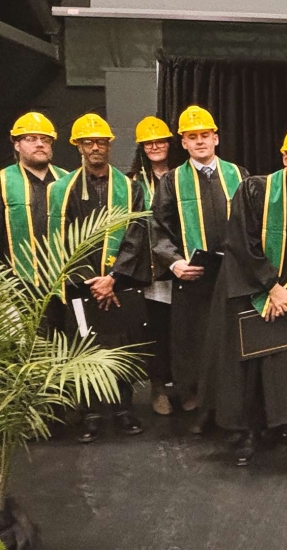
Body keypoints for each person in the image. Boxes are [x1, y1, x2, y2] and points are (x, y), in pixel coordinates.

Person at [206, 125, 287, 465]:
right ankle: (244, 432)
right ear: (284, 157)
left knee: (282, 364)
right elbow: (240, 241)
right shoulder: (255, 188)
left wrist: (283, 292)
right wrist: (269, 285)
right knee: (242, 365)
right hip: (245, 289)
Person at [47, 113, 151, 443]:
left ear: (109, 146)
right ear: (78, 146)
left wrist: (114, 278)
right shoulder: (60, 191)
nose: (96, 147)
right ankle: (91, 412)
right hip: (81, 286)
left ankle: (123, 408)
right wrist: (92, 280)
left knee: (123, 346)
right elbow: (59, 240)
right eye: (89, 142)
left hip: (119, 285)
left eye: (101, 142)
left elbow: (136, 234)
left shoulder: (130, 188)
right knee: (84, 347)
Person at [151, 105, 249, 423]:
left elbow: (253, 224)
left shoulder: (239, 175)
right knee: (192, 340)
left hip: (232, 274)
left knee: (229, 339)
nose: (200, 142)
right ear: (183, 143)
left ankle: (228, 402)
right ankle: (194, 399)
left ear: (216, 138)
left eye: (205, 135)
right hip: (192, 275)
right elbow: (158, 228)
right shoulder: (172, 181)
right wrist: (175, 262)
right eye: (192, 137)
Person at [129, 115, 178, 416]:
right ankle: (158, 387)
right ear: (142, 148)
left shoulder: (182, 176)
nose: (155, 146)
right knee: (157, 331)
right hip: (151, 271)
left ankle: (185, 387)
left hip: (182, 267)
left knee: (182, 331)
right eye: (149, 143)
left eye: (160, 140)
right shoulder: (132, 182)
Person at [1, 113, 68, 285]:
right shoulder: (3, 182)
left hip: (66, 281)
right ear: (17, 144)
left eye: (45, 139)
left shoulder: (68, 181)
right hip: (16, 285)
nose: (40, 144)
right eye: (31, 139)